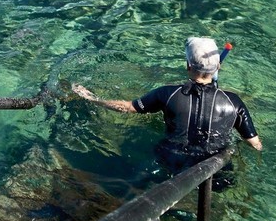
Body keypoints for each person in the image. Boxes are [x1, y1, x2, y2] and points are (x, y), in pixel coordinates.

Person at [72, 37, 261, 184]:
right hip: (218, 173)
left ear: (187, 65)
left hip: (172, 163)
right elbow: (254, 144)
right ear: (218, 66)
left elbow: (128, 107)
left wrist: (93, 99)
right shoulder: (233, 102)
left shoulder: (167, 94)